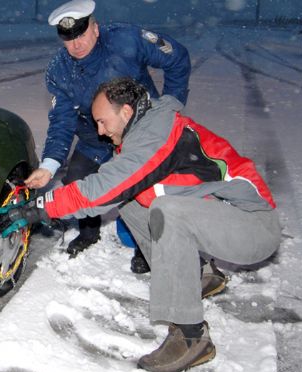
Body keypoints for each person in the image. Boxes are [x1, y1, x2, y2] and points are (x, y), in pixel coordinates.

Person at [0, 77, 282, 372]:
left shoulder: (157, 135)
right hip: (221, 216)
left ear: (127, 112)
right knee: (134, 202)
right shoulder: (146, 129)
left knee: (167, 211)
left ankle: (191, 337)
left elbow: (103, 188)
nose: (99, 131)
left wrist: (42, 207)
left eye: (103, 122)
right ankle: (194, 274)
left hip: (253, 226)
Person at [24, 0, 191, 272]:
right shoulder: (58, 71)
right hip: (94, 139)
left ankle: (145, 245)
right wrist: (49, 165)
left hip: (138, 134)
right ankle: (89, 233)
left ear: (96, 28)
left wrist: (171, 104)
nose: (76, 44)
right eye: (68, 38)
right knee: (75, 179)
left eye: (81, 33)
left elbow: (177, 57)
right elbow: (62, 121)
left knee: (142, 189)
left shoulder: (127, 40)